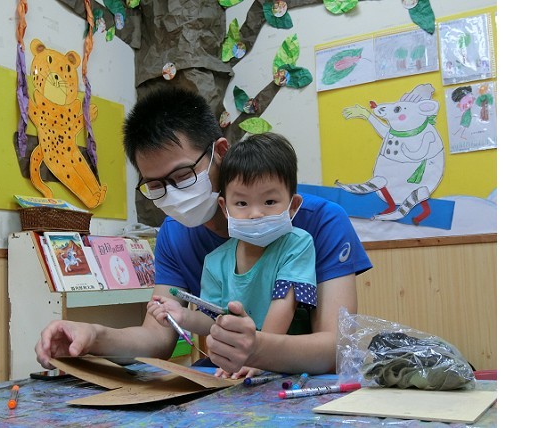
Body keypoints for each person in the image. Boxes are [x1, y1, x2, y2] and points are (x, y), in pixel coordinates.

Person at [35, 87, 372, 375]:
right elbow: (158, 337)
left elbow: (335, 348)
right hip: (227, 382)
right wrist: (95, 336)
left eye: (183, 176)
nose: (173, 195)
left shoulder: (321, 221)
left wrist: (257, 349)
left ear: (220, 153)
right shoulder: (174, 235)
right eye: (156, 186)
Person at [148, 133, 317, 379]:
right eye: (242, 204)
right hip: (241, 368)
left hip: (287, 369)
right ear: (224, 208)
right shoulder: (215, 261)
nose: (255, 213)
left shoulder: (297, 244)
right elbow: (213, 320)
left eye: (270, 201)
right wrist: (182, 316)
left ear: (293, 206)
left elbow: (285, 303)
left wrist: (259, 354)